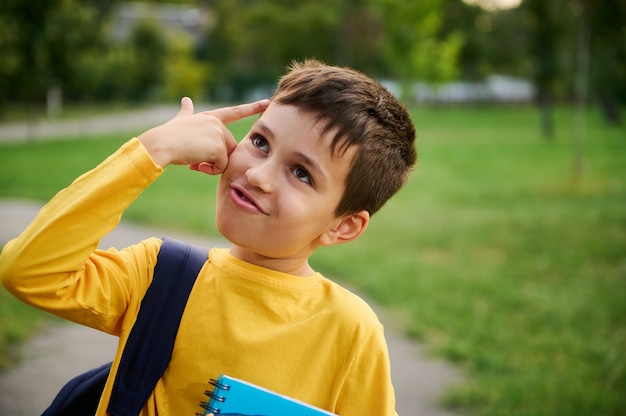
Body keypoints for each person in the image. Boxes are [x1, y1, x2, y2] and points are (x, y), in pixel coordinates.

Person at [0, 60, 417, 415]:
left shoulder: (351, 332)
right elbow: (29, 271)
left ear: (342, 225)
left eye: (301, 173)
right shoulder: (158, 276)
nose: (257, 175)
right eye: (260, 141)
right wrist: (152, 151)